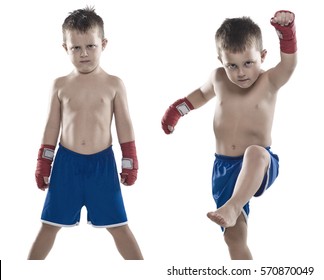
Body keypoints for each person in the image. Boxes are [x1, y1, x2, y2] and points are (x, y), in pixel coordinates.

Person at [161, 10, 297, 260]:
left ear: (262, 56)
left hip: (260, 162)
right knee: (234, 239)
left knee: (255, 152)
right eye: (231, 65)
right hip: (224, 168)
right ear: (221, 61)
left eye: (248, 63)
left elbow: (289, 63)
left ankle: (234, 205)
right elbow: (200, 95)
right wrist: (175, 112)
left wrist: (286, 32)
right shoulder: (218, 78)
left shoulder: (269, 81)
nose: (241, 72)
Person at [28, 6, 143, 260]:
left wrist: (130, 160)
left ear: (103, 44)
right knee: (49, 225)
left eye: (90, 46)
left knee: (120, 227)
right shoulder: (60, 85)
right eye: (76, 48)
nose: (84, 54)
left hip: (102, 165)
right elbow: (51, 126)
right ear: (65, 49)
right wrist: (43, 162)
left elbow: (124, 124)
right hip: (66, 164)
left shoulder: (114, 84)